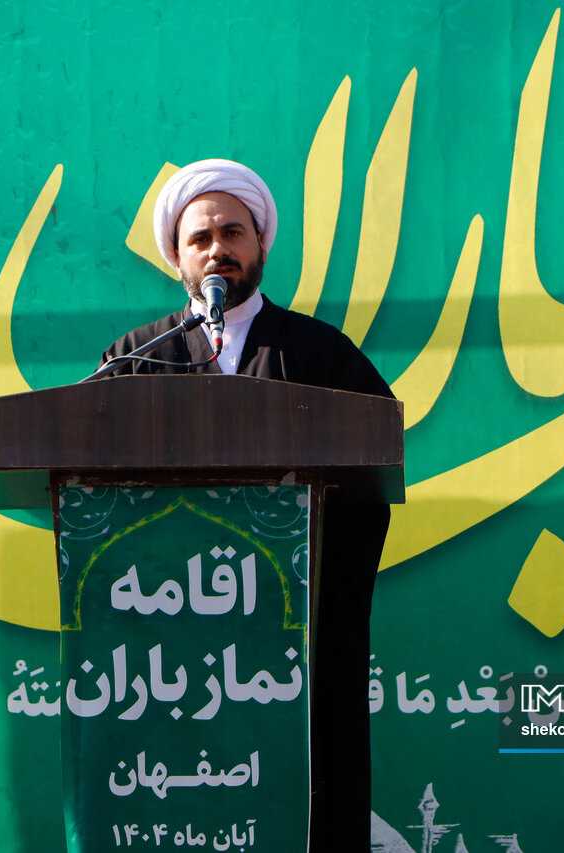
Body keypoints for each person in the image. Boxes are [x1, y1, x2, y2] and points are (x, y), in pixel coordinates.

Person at [99, 158, 394, 850]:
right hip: (167, 644)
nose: (217, 251)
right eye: (199, 239)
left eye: (233, 233)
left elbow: (371, 474)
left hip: (291, 640)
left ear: (260, 243)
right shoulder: (135, 358)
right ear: (176, 257)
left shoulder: (321, 355)